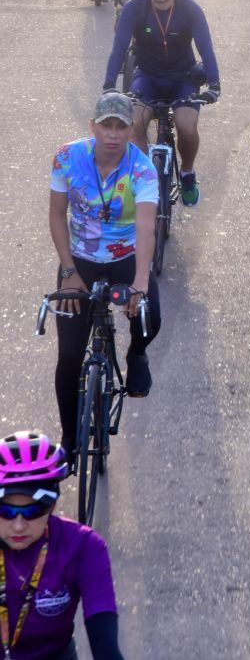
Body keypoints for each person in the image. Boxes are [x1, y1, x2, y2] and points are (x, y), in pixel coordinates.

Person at [50, 93, 160, 447]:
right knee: (68, 354)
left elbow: (146, 227)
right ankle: (69, 439)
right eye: (105, 125)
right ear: (92, 126)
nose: (112, 134)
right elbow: (56, 215)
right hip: (79, 260)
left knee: (150, 317)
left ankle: (136, 354)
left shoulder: (142, 168)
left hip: (125, 257)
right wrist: (69, 270)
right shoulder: (67, 157)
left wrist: (141, 283)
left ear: (131, 130)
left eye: (121, 126)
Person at [104, 0, 221, 207]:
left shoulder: (190, 9)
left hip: (184, 77)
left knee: (187, 126)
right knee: (135, 126)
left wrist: (214, 85)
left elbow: (206, 49)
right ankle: (144, 178)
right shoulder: (134, 8)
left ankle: (188, 173)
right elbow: (119, 49)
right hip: (147, 76)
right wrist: (109, 86)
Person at [0, 431, 125, 659]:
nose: (18, 526)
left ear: (53, 505)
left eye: (33, 510)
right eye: (5, 511)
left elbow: (106, 649)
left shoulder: (84, 546)